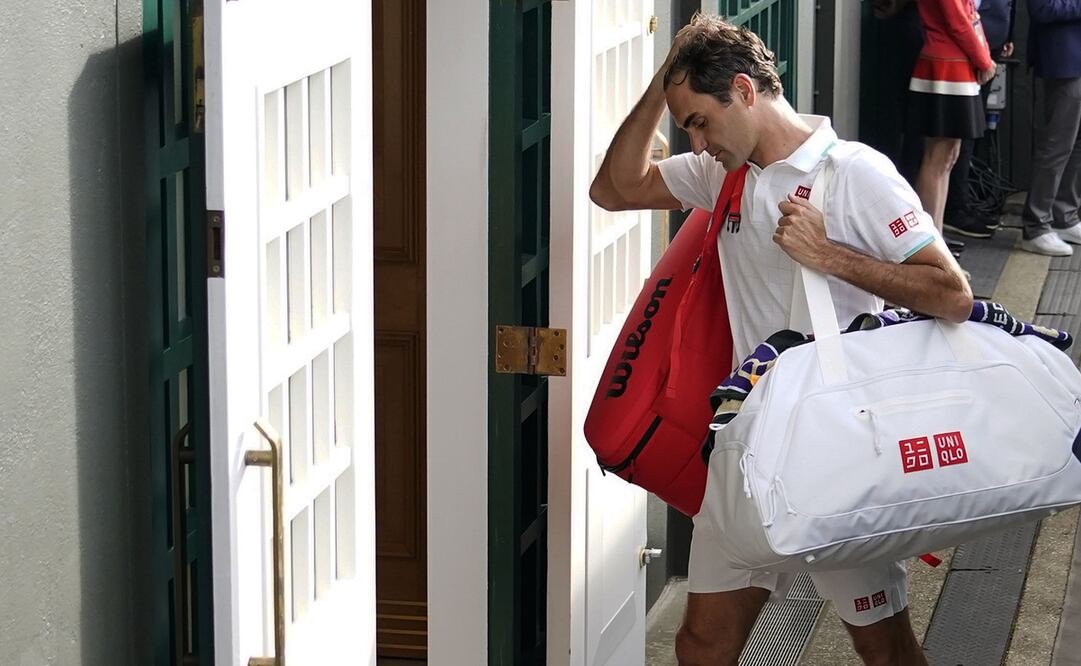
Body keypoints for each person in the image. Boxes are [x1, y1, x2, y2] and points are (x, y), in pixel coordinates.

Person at [589, 14, 972, 666]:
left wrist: (831, 254)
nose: (696, 140)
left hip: (836, 455)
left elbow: (951, 294)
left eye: (700, 121)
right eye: (687, 126)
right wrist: (665, 80)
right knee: (702, 644)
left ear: (742, 90)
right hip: (745, 450)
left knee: (884, 651)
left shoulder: (855, 174)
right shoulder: (723, 173)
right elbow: (615, 188)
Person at [908, 0, 997, 236]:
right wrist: (984, 59)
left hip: (953, 62)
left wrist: (983, 56)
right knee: (938, 158)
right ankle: (928, 243)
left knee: (947, 157)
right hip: (947, 64)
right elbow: (959, 21)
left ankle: (935, 241)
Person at [942, 0, 1016, 239]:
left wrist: (1004, 34)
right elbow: (962, 16)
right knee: (950, 142)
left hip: (985, 44)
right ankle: (952, 211)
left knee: (967, 135)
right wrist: (983, 56)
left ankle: (959, 204)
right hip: (962, 52)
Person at [1018, 0, 1081, 256]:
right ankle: (1036, 226)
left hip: (1074, 59)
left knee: (1076, 144)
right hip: (1065, 59)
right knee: (1057, 144)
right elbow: (1043, 8)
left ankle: (1064, 215)